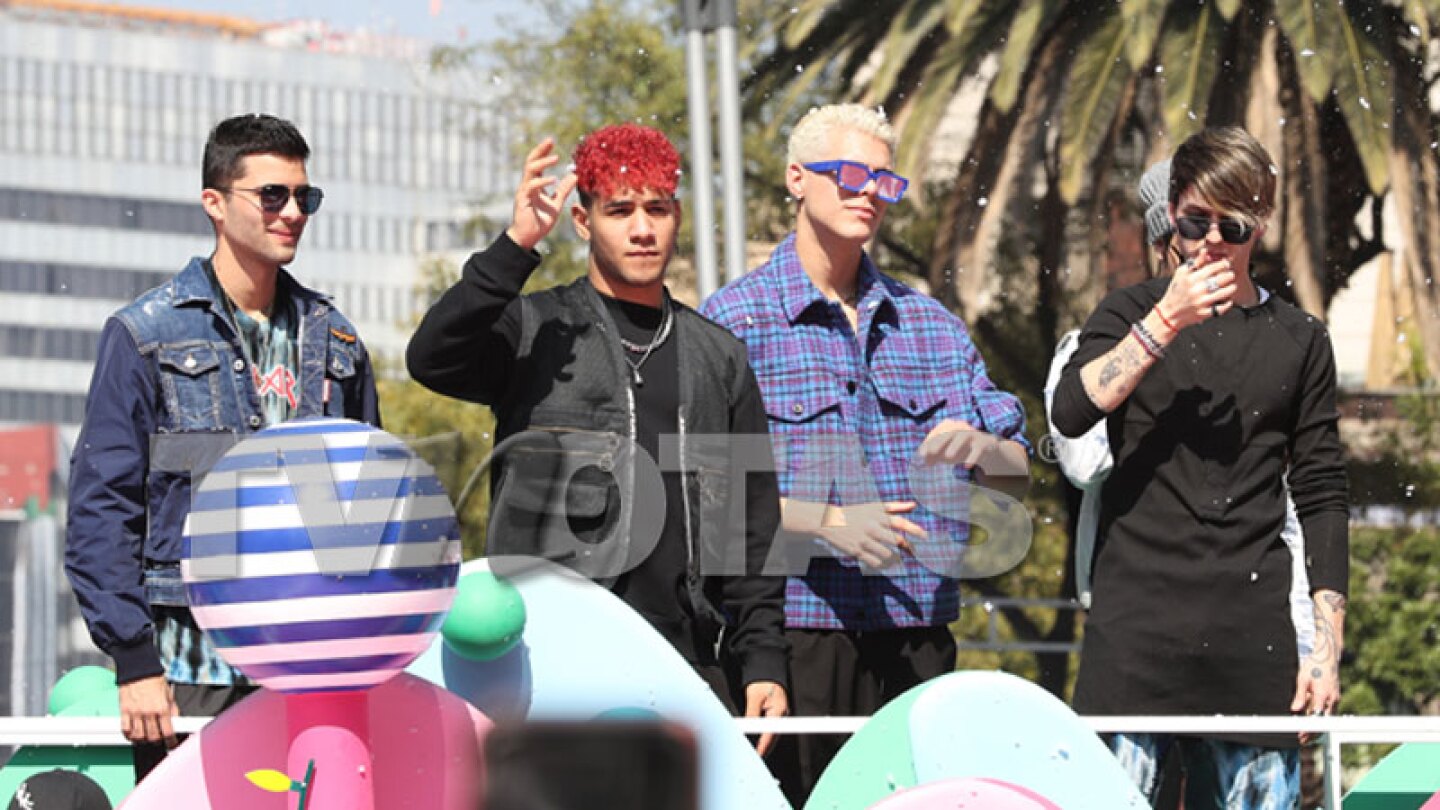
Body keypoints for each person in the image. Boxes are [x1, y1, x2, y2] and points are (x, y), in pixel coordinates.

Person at [405, 124, 790, 751]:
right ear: (583, 221)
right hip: (549, 663)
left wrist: (764, 658)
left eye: (657, 209)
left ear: (677, 216)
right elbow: (432, 357)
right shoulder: (536, 329)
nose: (642, 229)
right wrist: (515, 246)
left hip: (684, 665)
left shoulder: (720, 358)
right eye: (620, 210)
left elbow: (748, 533)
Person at [701, 103, 1031, 804]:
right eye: (849, 174)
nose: (869, 193)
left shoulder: (932, 327)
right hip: (798, 638)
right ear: (797, 178)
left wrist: (983, 448)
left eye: (885, 179)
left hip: (920, 640)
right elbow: (705, 496)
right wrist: (826, 522)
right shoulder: (735, 321)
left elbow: (1019, 473)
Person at [65, 114, 381, 780]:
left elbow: (371, 511)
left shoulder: (340, 343)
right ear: (214, 201)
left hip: (312, 673)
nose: (292, 211)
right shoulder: (144, 334)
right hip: (187, 672)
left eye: (304, 197)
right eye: (272, 195)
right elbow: (100, 512)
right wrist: (135, 662)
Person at [1050, 127, 1349, 808]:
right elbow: (1071, 413)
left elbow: (1324, 492)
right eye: (1195, 220)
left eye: (1234, 225)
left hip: (1251, 643)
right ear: (1173, 213)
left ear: (1262, 227)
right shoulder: (1126, 313)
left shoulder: (1299, 339)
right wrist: (1167, 319)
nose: (1212, 239)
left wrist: (1326, 649)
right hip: (1134, 642)